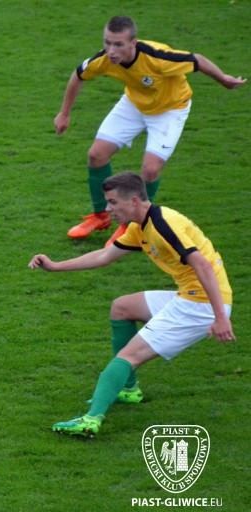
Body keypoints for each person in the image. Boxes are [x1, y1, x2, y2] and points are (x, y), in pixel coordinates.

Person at [28, 171, 234, 436]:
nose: (108, 209)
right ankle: (128, 389)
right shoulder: (140, 227)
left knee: (128, 356)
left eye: (113, 202)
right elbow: (105, 256)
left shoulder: (163, 225)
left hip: (201, 305)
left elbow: (202, 265)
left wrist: (220, 317)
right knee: (122, 307)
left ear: (134, 200)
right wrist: (55, 266)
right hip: (192, 295)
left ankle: (91, 420)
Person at [55, 15, 245, 245]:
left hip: (170, 109)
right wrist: (64, 113)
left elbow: (198, 60)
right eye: (107, 42)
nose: (111, 51)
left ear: (133, 43)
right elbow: (78, 75)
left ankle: (133, 227)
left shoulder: (158, 57)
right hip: (135, 104)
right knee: (96, 155)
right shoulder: (104, 59)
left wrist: (224, 79)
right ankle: (100, 215)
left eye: (118, 44)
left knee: (151, 169)